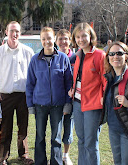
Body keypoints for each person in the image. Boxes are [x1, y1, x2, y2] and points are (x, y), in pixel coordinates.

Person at [26, 27, 73, 165]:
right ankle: (40, 162)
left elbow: (68, 83)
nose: (47, 41)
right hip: (40, 105)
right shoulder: (35, 60)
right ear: (41, 41)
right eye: (44, 39)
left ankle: (56, 162)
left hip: (57, 106)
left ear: (54, 39)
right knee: (40, 136)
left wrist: (67, 103)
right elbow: (30, 84)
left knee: (56, 137)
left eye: (49, 38)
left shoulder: (63, 58)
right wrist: (30, 105)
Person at [0, 21, 34, 165]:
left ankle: (24, 155)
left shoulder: (28, 52)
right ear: (6, 32)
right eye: (12, 31)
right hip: (5, 96)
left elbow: (33, 75)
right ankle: (3, 157)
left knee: (23, 127)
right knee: (5, 128)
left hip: (23, 96)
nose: (14, 34)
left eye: (17, 31)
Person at [68, 22, 106, 165]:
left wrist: (103, 96)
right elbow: (78, 77)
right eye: (77, 37)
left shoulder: (100, 55)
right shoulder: (78, 55)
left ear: (90, 36)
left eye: (84, 36)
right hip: (77, 103)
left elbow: (105, 80)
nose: (81, 39)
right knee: (81, 140)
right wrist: (72, 88)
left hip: (93, 105)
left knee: (90, 142)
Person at [55, 29, 74, 165]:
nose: (63, 42)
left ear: (70, 41)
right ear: (56, 41)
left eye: (66, 38)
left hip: (72, 100)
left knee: (68, 128)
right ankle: (55, 155)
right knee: (55, 130)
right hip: (55, 100)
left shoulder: (76, 58)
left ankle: (66, 155)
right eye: (60, 39)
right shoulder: (52, 57)